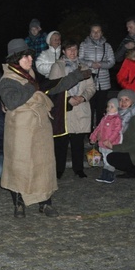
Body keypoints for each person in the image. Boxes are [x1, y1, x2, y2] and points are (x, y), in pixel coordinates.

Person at [0, 39, 89, 218]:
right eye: (26, 56)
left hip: (40, 127)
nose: (30, 59)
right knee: (19, 166)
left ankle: (45, 203)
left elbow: (52, 86)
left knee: (44, 164)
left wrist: (77, 76)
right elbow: (12, 101)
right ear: (16, 59)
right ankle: (19, 204)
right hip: (20, 128)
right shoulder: (7, 79)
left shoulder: (30, 76)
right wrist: (31, 88)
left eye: (30, 56)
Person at [48, 39, 96, 178]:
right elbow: (53, 87)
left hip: (80, 107)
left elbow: (91, 87)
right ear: (64, 51)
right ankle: (58, 169)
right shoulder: (57, 67)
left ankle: (78, 168)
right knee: (61, 142)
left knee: (78, 141)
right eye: (69, 49)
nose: (73, 52)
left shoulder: (84, 67)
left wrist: (82, 97)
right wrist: (68, 98)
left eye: (75, 49)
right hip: (64, 108)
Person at [78, 24, 116, 127]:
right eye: (93, 31)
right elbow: (79, 59)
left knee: (101, 108)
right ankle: (88, 130)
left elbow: (112, 62)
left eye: (98, 31)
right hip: (88, 80)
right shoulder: (83, 45)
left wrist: (101, 65)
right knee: (88, 107)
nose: (95, 33)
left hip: (103, 81)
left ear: (102, 33)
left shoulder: (107, 46)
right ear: (90, 33)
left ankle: (100, 130)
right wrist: (91, 64)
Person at [91, 98, 124, 184]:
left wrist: (109, 140)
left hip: (110, 144)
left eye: (112, 106)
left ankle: (110, 174)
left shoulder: (117, 119)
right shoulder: (104, 118)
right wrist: (93, 137)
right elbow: (98, 128)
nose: (109, 108)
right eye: (108, 106)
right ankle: (104, 173)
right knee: (105, 158)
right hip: (102, 143)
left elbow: (116, 131)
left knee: (110, 159)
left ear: (117, 108)